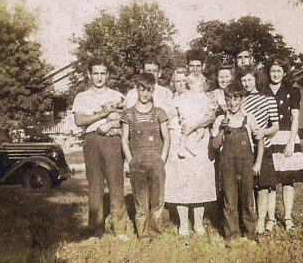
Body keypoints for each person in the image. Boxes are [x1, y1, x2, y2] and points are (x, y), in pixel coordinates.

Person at [72, 59, 127, 237]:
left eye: (103, 73)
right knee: (95, 185)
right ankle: (95, 230)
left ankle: (120, 229)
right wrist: (103, 113)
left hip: (112, 140)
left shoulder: (117, 95)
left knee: (116, 185)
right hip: (92, 140)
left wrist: (111, 125)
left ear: (108, 75)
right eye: (95, 73)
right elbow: (79, 120)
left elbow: (126, 120)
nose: (99, 77)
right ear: (89, 75)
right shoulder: (82, 97)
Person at [164, 70, 216, 237]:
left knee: (199, 183)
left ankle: (199, 222)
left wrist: (194, 126)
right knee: (182, 184)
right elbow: (168, 118)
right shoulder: (177, 100)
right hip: (180, 145)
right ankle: (184, 223)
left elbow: (212, 116)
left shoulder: (206, 98)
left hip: (199, 145)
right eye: (178, 82)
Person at [212, 83, 264, 243]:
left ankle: (250, 234)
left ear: (242, 99)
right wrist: (221, 130)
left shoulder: (249, 118)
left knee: (247, 200)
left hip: (246, 164)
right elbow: (215, 145)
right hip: (228, 166)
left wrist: (258, 163)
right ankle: (231, 236)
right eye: (228, 99)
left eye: (236, 98)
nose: (232, 103)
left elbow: (260, 140)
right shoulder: (221, 119)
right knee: (230, 200)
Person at [120, 73, 171, 239]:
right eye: (142, 89)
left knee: (157, 199)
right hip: (137, 162)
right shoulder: (128, 114)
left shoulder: (159, 113)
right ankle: (142, 234)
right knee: (141, 200)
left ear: (153, 91)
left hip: (156, 161)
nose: (145, 94)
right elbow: (124, 140)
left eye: (149, 90)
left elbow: (167, 138)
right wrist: (131, 161)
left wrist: (162, 160)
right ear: (137, 89)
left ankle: (155, 232)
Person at [262, 59, 303, 231]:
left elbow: (295, 118)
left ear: (284, 73)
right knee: (270, 181)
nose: (275, 74)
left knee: (288, 180)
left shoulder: (293, 91)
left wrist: (290, 142)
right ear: (268, 72)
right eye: (272, 71)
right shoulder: (263, 91)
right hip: (269, 138)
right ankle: (271, 218)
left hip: (287, 136)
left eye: (279, 71)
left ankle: (288, 217)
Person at [236, 65, 280, 233]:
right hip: (244, 148)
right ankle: (250, 220)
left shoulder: (267, 98)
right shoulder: (240, 100)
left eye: (249, 80)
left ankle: (261, 221)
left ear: (256, 79)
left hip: (264, 147)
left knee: (263, 187)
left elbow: (275, 126)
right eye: (243, 80)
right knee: (247, 186)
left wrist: (264, 132)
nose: (246, 83)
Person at [176, 73, 208, 158]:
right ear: (191, 85)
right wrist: (181, 116)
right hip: (188, 117)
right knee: (185, 134)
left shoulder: (202, 96)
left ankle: (192, 144)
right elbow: (180, 106)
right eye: (200, 85)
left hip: (197, 119)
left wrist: (204, 113)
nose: (202, 87)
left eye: (202, 85)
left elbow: (206, 106)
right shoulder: (185, 95)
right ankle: (181, 148)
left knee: (201, 132)